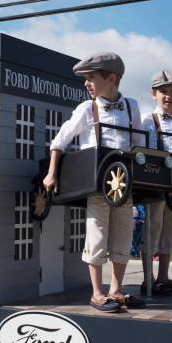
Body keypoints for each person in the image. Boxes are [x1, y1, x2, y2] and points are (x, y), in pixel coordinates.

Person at [44, 52, 145, 312]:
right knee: (97, 234)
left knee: (124, 234)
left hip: (124, 185)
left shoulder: (132, 106)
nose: (86, 83)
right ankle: (97, 293)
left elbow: (138, 145)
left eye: (91, 78)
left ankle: (117, 289)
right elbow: (60, 140)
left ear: (111, 78)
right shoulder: (88, 108)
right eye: (85, 78)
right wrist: (52, 172)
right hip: (98, 184)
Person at [139, 70, 172, 296]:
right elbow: (145, 150)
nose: (168, 96)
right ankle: (147, 278)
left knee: (171, 228)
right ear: (153, 94)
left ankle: (163, 276)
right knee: (153, 228)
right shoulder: (149, 120)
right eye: (163, 92)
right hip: (156, 179)